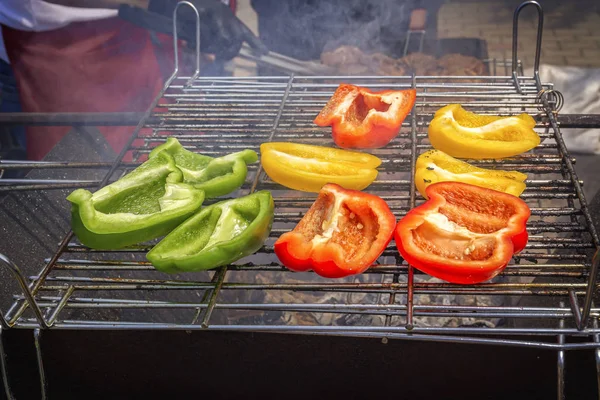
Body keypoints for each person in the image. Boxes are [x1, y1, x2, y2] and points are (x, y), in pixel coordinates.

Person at [0, 0, 264, 161]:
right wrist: (165, 3)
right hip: (66, 40)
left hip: (140, 25)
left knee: (154, 146)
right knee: (81, 177)